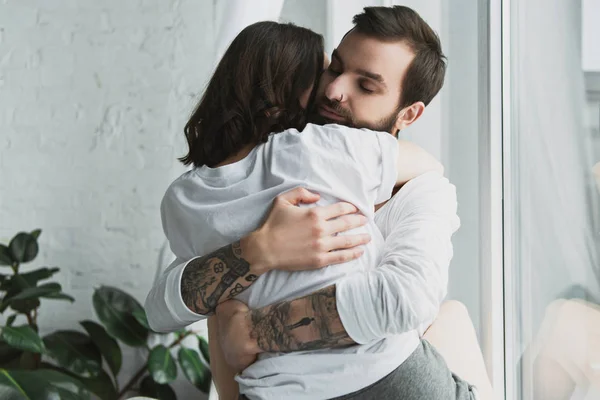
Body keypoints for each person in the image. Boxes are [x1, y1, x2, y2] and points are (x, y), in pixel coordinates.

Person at [146, 6, 482, 400]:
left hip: (378, 375)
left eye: (366, 86)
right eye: (333, 68)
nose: (335, 91)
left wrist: (253, 332)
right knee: (223, 307)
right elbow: (161, 305)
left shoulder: (421, 190)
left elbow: (404, 300)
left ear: (409, 113)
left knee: (451, 318)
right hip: (330, 379)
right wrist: (260, 250)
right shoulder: (295, 160)